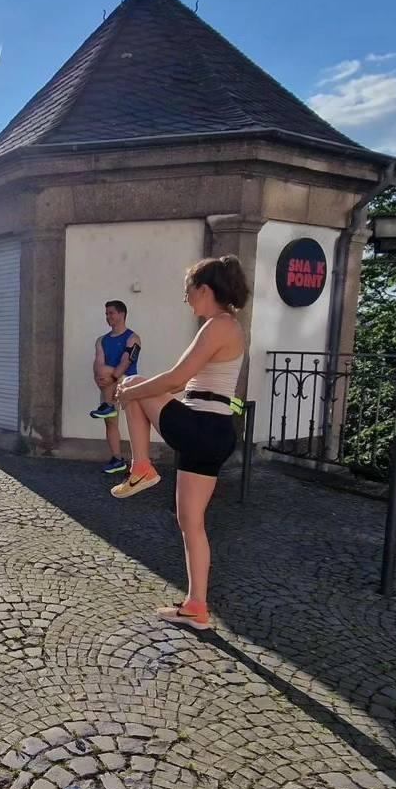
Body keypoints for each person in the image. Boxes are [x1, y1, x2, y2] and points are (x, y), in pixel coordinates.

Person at [111, 255, 250, 631]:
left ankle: (141, 467)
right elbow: (178, 382)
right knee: (191, 522)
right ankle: (196, 606)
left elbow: (175, 380)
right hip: (212, 430)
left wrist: (128, 393)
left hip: (203, 425)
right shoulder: (226, 327)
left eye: (187, 292)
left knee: (134, 384)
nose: (185, 299)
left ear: (205, 290)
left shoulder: (217, 326)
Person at [89, 300, 141, 475]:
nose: (108, 317)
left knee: (136, 423)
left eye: (111, 313)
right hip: (107, 385)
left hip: (126, 382)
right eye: (106, 314)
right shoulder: (101, 340)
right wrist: (100, 380)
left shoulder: (133, 337)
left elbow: (127, 361)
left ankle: (141, 464)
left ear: (122, 314)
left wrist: (111, 377)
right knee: (110, 424)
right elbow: (99, 363)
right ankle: (117, 460)